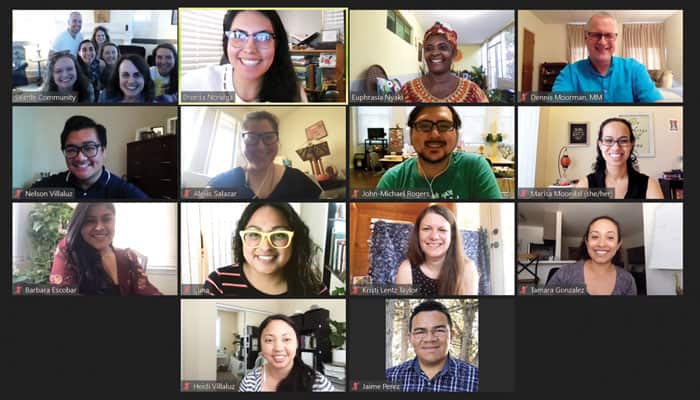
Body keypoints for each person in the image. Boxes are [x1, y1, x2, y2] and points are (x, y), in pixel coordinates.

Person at [376, 105, 502, 199]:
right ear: (411, 133)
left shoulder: (475, 167)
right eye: (424, 126)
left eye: (444, 126)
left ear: (457, 134)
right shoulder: (393, 180)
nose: (434, 134)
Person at [182, 10, 307, 102]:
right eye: (238, 35)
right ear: (227, 41)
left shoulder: (294, 93)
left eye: (263, 37)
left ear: (277, 44)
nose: (250, 49)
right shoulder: (196, 84)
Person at [204, 202, 327, 296]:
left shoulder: (316, 290)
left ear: (294, 240)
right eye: (254, 234)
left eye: (279, 235)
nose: (266, 247)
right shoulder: (219, 282)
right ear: (242, 239)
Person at [49, 203, 161, 295]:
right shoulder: (68, 252)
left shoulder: (128, 256)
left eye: (106, 219)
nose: (99, 227)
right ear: (79, 225)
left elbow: (148, 291)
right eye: (90, 221)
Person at [208, 111, 322, 199]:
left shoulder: (299, 181)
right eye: (251, 137)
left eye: (268, 137)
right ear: (241, 142)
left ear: (278, 141)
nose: (260, 147)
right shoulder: (221, 184)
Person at [552, 13, 662, 103]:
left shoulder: (635, 69)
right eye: (596, 35)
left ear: (615, 38)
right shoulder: (569, 73)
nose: (602, 42)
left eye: (609, 35)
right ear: (586, 38)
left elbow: (657, 107)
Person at [30, 115, 148, 199]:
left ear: (103, 151)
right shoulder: (47, 187)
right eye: (71, 150)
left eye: (89, 148)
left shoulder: (127, 194)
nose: (80, 158)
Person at [386, 300, 479, 392]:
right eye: (420, 332)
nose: (430, 339)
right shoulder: (389, 378)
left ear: (452, 335)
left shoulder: (476, 380)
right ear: (410, 338)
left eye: (439, 330)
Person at [395, 205, 479, 296]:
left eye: (442, 230)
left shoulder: (467, 268)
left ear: (452, 236)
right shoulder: (406, 269)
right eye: (426, 229)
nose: (434, 236)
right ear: (417, 234)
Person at [239, 314, 334, 391]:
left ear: (297, 343)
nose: (278, 348)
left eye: (286, 339)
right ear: (261, 346)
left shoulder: (318, 384)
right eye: (269, 340)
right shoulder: (249, 382)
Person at [546, 216, 637, 295]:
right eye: (595, 236)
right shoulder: (565, 273)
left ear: (618, 245)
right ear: (587, 242)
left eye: (610, 237)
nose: (601, 244)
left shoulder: (627, 280)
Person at [399, 22, 488, 103]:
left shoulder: (473, 92)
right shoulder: (407, 90)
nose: (435, 53)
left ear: (453, 53)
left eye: (442, 47)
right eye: (429, 48)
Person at [576, 118, 664, 199]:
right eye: (608, 140)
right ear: (600, 145)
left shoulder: (650, 185)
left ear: (631, 144)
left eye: (623, 141)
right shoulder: (585, 185)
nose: (616, 148)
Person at [99, 54, 174, 103]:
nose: (131, 81)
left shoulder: (161, 101)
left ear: (145, 78)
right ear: (118, 77)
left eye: (137, 75)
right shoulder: (105, 96)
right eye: (125, 75)